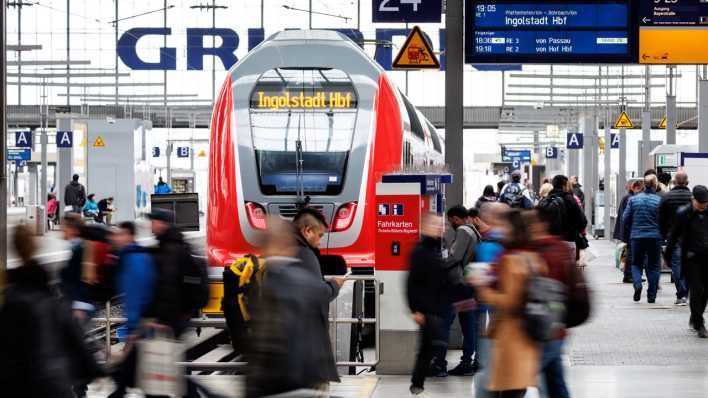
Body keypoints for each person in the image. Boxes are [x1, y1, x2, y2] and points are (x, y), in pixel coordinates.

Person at [0, 225, 104, 397]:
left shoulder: (10, 298)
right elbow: (74, 335)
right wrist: (94, 370)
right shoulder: (49, 295)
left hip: (18, 385)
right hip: (52, 383)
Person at [469, 209, 542, 397]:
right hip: (525, 334)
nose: (497, 228)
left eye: (502, 225)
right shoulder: (530, 256)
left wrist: (483, 289)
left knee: (502, 388)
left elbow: (510, 300)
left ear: (513, 230)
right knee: (513, 388)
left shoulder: (511, 261)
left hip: (510, 335)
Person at [291, 207, 344, 391]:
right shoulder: (304, 254)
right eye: (319, 235)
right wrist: (335, 285)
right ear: (307, 231)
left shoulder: (282, 248)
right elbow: (318, 294)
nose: (320, 242)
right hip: (307, 346)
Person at [527, 210, 575, 398]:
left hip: (543, 326)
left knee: (521, 377)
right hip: (557, 326)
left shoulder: (540, 251)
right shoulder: (560, 248)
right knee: (555, 380)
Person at [107, 222, 156, 398]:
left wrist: (133, 330)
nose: (116, 238)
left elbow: (137, 294)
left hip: (141, 327)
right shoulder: (128, 256)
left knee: (129, 378)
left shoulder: (134, 259)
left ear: (130, 236)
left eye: (121, 234)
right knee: (142, 380)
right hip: (142, 327)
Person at [407, 213, 448, 396]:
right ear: (424, 227)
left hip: (437, 306)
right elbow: (411, 282)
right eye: (436, 225)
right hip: (426, 308)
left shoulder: (435, 249)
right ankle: (418, 381)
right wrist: (415, 309)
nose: (440, 228)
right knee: (430, 345)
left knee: (429, 345)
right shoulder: (420, 251)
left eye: (442, 225)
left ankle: (418, 382)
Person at [436, 205, 480, 376]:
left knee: (445, 323)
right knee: (468, 325)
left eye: (450, 220)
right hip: (469, 286)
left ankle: (440, 364)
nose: (450, 224)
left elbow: (455, 256)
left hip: (458, 286)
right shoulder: (475, 231)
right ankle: (467, 362)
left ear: (455, 218)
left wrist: (441, 259)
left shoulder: (462, 230)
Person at [666, 186, 708, 338]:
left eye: (705, 203)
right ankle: (699, 324)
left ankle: (696, 315)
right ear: (693, 200)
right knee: (696, 290)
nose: (703, 205)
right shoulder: (684, 214)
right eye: (700, 203)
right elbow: (673, 235)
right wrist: (668, 255)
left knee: (705, 292)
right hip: (691, 259)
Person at [622, 174, 663, 303]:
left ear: (644, 185)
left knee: (636, 263)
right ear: (655, 185)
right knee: (654, 266)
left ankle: (638, 284)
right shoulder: (659, 201)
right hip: (655, 237)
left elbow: (625, 218)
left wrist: (633, 228)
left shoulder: (633, 200)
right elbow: (664, 220)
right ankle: (651, 295)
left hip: (637, 237)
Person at [659, 171, 691, 305]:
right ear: (687, 182)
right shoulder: (692, 197)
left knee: (676, 266)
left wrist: (664, 234)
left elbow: (661, 219)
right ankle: (685, 293)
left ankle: (681, 293)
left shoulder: (667, 197)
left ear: (674, 182)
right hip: (691, 238)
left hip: (674, 237)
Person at [541, 175, 588, 256]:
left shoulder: (546, 200)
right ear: (564, 185)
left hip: (550, 244)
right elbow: (582, 222)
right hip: (568, 242)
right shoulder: (570, 199)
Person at [614, 180, 644, 283]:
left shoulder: (628, 197)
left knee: (631, 252)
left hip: (629, 230)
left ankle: (631, 274)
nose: (641, 192)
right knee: (631, 253)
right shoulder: (630, 198)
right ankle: (629, 275)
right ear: (634, 188)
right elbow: (627, 217)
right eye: (640, 189)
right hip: (630, 231)